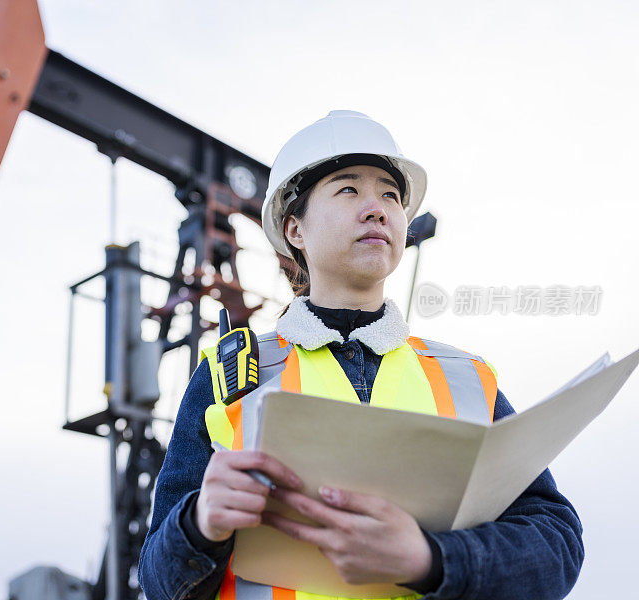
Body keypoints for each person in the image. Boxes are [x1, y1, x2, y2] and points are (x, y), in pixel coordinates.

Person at [139, 110, 584, 600]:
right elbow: (159, 584)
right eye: (349, 189)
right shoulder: (225, 381)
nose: (377, 209)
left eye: (390, 195)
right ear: (295, 230)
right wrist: (200, 524)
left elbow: (556, 543)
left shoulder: (469, 380)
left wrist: (429, 559)